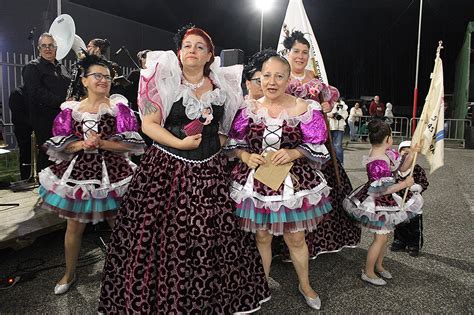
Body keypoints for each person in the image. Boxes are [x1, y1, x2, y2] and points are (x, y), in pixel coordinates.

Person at [98, 26, 270, 314]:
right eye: (187, 46)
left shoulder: (223, 88)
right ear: (179, 53)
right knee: (162, 238)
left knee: (210, 235)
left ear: (209, 56)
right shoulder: (164, 82)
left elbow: (225, 128)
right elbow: (149, 125)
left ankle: (208, 301)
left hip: (210, 172)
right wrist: (181, 143)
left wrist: (214, 148)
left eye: (200, 47)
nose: (192, 50)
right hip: (166, 168)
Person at [227, 52, 332, 310]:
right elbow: (234, 143)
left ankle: (304, 284)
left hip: (293, 183)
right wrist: (246, 155)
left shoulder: (304, 108)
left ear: (288, 80)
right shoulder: (248, 108)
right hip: (256, 183)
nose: (272, 81)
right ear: (259, 78)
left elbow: (318, 145)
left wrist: (295, 152)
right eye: (266, 76)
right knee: (261, 237)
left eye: (279, 76)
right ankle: (261, 283)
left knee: (296, 238)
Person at [38, 53, 145, 295]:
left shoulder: (120, 109)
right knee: (74, 227)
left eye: (107, 76)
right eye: (97, 75)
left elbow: (132, 145)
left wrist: (102, 145)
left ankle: (127, 272)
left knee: (120, 226)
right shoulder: (70, 110)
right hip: (79, 174)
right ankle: (70, 273)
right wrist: (81, 145)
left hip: (114, 175)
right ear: (84, 80)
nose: (103, 80)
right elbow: (62, 145)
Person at [282, 30, 361, 258]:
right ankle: (288, 244)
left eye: (305, 52)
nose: (300, 56)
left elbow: (328, 98)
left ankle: (319, 242)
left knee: (323, 190)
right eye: (296, 51)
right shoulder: (281, 75)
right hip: (289, 139)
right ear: (288, 52)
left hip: (318, 141)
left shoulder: (315, 79)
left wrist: (327, 106)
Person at [343, 120, 423, 286]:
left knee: (384, 237)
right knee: (380, 239)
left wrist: (412, 153)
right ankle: (368, 272)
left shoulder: (386, 152)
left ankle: (379, 266)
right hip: (376, 201)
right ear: (388, 138)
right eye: (391, 135)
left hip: (383, 201)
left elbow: (401, 167)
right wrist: (404, 184)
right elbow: (382, 190)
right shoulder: (378, 161)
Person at [22, 33, 71, 172]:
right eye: (44, 45)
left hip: (63, 119)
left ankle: (60, 188)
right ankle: (45, 189)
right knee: (48, 155)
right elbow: (37, 92)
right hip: (44, 120)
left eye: (51, 45)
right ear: (39, 48)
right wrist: (62, 102)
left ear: (56, 48)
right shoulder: (33, 67)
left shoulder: (62, 68)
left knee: (64, 154)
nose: (47, 48)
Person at [391, 141, 429, 257]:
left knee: (414, 226)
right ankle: (400, 241)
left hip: (413, 204)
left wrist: (418, 187)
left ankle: (414, 245)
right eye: (404, 153)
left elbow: (424, 182)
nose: (407, 156)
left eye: (410, 154)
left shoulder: (417, 169)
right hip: (398, 202)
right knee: (400, 224)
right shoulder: (396, 170)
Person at [8, 86, 32, 180]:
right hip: (23, 130)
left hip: (32, 128)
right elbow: (18, 115)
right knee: (26, 154)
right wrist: (34, 123)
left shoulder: (32, 92)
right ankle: (26, 177)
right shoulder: (17, 93)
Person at [327, 99, 348, 165]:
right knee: (329, 145)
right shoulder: (328, 103)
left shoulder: (343, 105)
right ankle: (331, 162)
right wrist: (331, 114)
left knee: (337, 145)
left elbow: (344, 115)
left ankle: (340, 163)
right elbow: (327, 113)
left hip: (339, 127)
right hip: (329, 127)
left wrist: (338, 112)